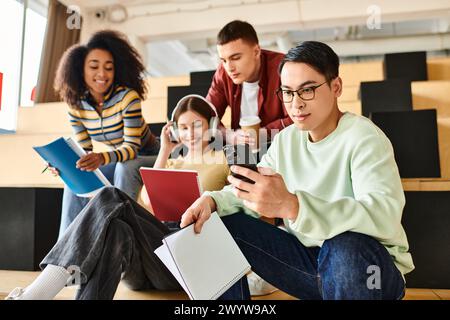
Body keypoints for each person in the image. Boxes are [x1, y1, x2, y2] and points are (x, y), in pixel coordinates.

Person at [179, 41, 415, 300]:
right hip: (311, 269)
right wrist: (212, 200)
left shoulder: (365, 137)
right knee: (219, 226)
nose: (296, 104)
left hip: (370, 273)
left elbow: (383, 216)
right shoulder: (286, 140)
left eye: (308, 90)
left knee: (344, 245)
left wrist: (295, 207)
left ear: (336, 87)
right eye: (288, 93)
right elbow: (253, 187)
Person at [5, 95, 231, 300]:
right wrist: (164, 150)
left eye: (197, 125)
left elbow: (235, 206)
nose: (190, 133)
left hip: (185, 260)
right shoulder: (171, 162)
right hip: (148, 264)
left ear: (211, 125)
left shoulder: (223, 159)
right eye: (183, 127)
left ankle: (35, 294)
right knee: (118, 230)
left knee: (112, 195)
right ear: (174, 131)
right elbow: (149, 202)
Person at [51, 30, 160, 237]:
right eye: (94, 66)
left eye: (108, 68)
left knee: (125, 167)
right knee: (75, 180)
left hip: (150, 155)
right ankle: (65, 257)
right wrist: (65, 167)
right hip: (118, 159)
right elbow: (84, 153)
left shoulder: (128, 98)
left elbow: (132, 148)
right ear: (79, 69)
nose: (102, 74)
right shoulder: (76, 106)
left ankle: (118, 239)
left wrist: (101, 158)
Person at [206, 20, 293, 148]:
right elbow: (206, 116)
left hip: (282, 149)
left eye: (235, 58)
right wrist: (229, 135)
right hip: (241, 154)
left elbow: (298, 117)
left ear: (256, 52)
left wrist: (262, 135)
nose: (229, 67)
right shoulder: (223, 73)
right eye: (224, 60)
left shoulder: (285, 68)